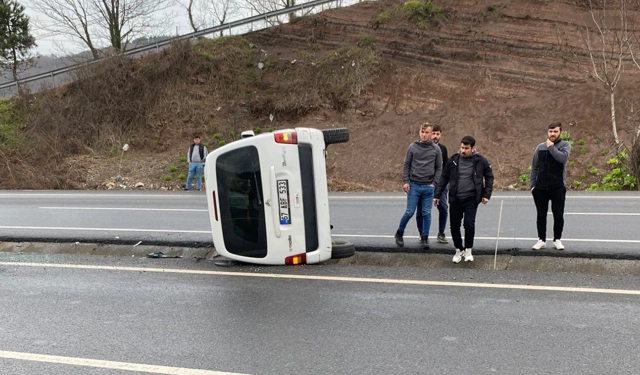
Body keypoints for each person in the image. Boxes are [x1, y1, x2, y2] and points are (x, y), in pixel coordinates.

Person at [434, 136, 493, 263]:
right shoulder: (454, 160)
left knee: (468, 224)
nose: (463, 150)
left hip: (472, 198)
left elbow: (489, 176)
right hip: (455, 198)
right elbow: (444, 177)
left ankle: (468, 250)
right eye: (462, 148)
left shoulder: (480, 161)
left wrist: (486, 194)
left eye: (466, 148)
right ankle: (458, 250)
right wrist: (437, 195)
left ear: (473, 148)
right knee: (454, 225)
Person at [394, 123, 442, 248]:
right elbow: (407, 165)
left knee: (426, 213)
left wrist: (434, 183)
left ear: (431, 134)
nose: (424, 134)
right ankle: (399, 233)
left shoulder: (436, 149)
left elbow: (439, 168)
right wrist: (406, 181)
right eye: (422, 132)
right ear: (419, 132)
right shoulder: (412, 147)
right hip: (414, 185)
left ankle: (425, 237)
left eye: (427, 132)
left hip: (428, 186)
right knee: (410, 212)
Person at [529, 122, 571, 250]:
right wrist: (532, 185)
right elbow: (534, 167)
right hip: (540, 187)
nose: (552, 134)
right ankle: (541, 239)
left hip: (557, 186)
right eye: (550, 131)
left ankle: (557, 239)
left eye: (555, 131)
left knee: (558, 214)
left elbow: (562, 159)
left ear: (560, 132)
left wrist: (552, 147)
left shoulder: (565, 145)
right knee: (541, 215)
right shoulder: (540, 147)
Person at [416, 124, 449, 245]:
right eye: (433, 133)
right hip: (423, 183)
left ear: (440, 134)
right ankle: (422, 235)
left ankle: (441, 233)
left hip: (440, 184)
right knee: (421, 211)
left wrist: (442, 185)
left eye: (437, 134)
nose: (435, 136)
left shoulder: (443, 149)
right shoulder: (420, 148)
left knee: (444, 208)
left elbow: (445, 168)